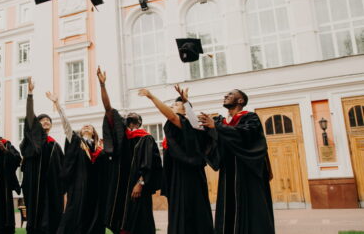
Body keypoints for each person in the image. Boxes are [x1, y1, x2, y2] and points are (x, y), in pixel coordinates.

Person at [138, 85, 214, 234]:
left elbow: (173, 116)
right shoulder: (184, 125)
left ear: (185, 110)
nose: (172, 106)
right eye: (172, 104)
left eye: (175, 105)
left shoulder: (187, 124)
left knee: (190, 212)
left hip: (189, 176)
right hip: (177, 175)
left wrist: (151, 96)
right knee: (181, 211)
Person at [198, 89, 274, 234]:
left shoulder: (250, 118)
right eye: (226, 94)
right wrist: (187, 105)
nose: (225, 96)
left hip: (247, 173)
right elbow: (213, 140)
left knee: (251, 210)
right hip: (228, 173)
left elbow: (244, 135)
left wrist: (216, 127)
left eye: (230, 94)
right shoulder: (220, 121)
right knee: (228, 210)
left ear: (240, 101)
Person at [97, 66, 162, 234]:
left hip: (136, 186)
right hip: (120, 186)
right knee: (119, 221)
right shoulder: (122, 138)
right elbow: (108, 110)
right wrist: (102, 85)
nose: (130, 116)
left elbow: (149, 164)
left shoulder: (145, 138)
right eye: (129, 115)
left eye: (135, 115)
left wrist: (140, 183)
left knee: (139, 221)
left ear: (139, 122)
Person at [45, 91, 107, 234]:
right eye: (84, 126)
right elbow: (66, 126)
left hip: (95, 188)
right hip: (79, 185)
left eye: (89, 127)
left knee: (93, 215)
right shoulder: (76, 142)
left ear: (94, 133)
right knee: (75, 214)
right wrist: (57, 105)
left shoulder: (99, 149)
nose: (86, 127)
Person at [20, 77, 64, 234]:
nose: (46, 122)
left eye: (48, 120)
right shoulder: (34, 140)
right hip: (33, 183)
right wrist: (30, 94)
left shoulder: (55, 145)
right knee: (36, 216)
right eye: (42, 120)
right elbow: (30, 117)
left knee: (51, 216)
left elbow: (62, 167)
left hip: (51, 187)